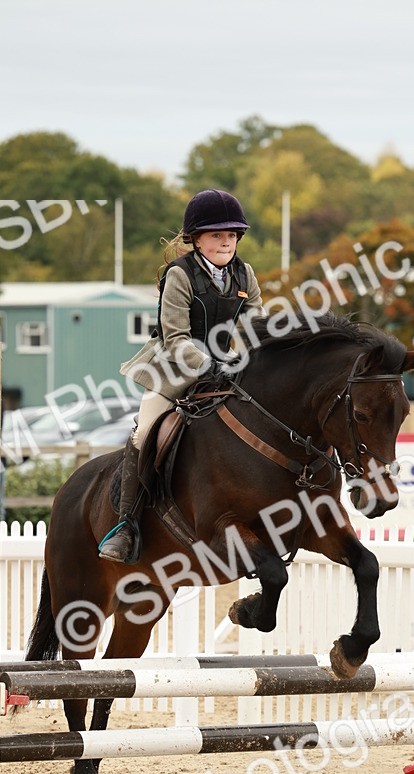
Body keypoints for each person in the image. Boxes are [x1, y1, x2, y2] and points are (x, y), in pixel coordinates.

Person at [98, 188, 264, 562]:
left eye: (232, 235)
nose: (226, 242)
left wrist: (256, 359)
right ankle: (125, 525)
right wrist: (213, 365)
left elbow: (257, 327)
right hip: (173, 369)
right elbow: (175, 339)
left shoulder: (244, 273)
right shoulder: (180, 274)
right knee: (145, 432)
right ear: (196, 239)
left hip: (224, 368)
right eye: (217, 235)